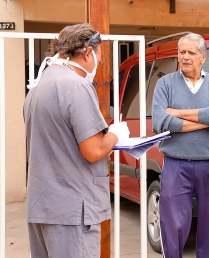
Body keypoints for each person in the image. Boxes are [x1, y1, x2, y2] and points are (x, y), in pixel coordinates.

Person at [23, 23, 130, 258]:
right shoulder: (76, 86)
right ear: (88, 53)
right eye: (98, 59)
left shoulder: (38, 87)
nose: (97, 66)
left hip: (42, 205)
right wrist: (116, 134)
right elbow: (93, 150)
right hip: (72, 210)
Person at [152, 33, 209, 258]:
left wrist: (177, 113)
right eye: (181, 52)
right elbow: (161, 122)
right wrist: (207, 120)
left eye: (191, 53)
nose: (185, 57)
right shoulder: (165, 84)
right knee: (172, 227)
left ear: (203, 57)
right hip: (176, 165)